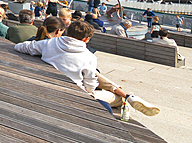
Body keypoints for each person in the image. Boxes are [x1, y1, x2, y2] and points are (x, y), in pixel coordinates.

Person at [15, 20, 159, 121]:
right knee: (117, 99)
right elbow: (90, 86)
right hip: (74, 96)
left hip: (51, 84)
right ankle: (127, 97)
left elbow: (21, 47)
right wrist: (90, 96)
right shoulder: (88, 57)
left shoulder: (49, 43)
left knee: (97, 76)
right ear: (86, 39)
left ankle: (128, 96)